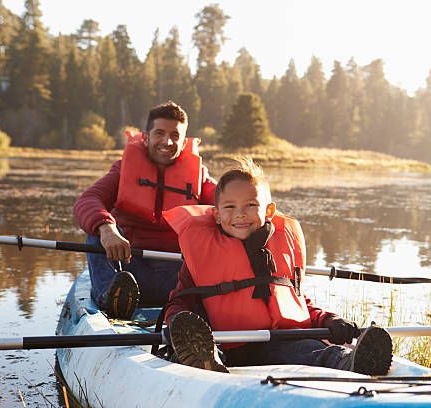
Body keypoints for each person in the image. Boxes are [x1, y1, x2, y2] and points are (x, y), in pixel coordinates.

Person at [161, 157, 393, 375]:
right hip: (233, 348)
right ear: (217, 215)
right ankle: (206, 360)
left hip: (284, 343)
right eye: (230, 207)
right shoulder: (201, 254)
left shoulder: (282, 247)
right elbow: (179, 302)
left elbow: (299, 302)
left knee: (313, 350)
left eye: (251, 205)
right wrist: (179, 324)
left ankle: (349, 361)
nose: (240, 214)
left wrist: (329, 320)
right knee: (209, 349)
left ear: (269, 211)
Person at [73, 101, 216, 319]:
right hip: (129, 272)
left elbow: (233, 207)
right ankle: (110, 302)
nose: (167, 141)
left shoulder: (201, 178)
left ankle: (203, 313)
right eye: (159, 133)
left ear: (184, 142)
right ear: (146, 137)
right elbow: (87, 200)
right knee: (96, 232)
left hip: (178, 276)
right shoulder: (122, 171)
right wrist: (107, 228)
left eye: (175, 136)